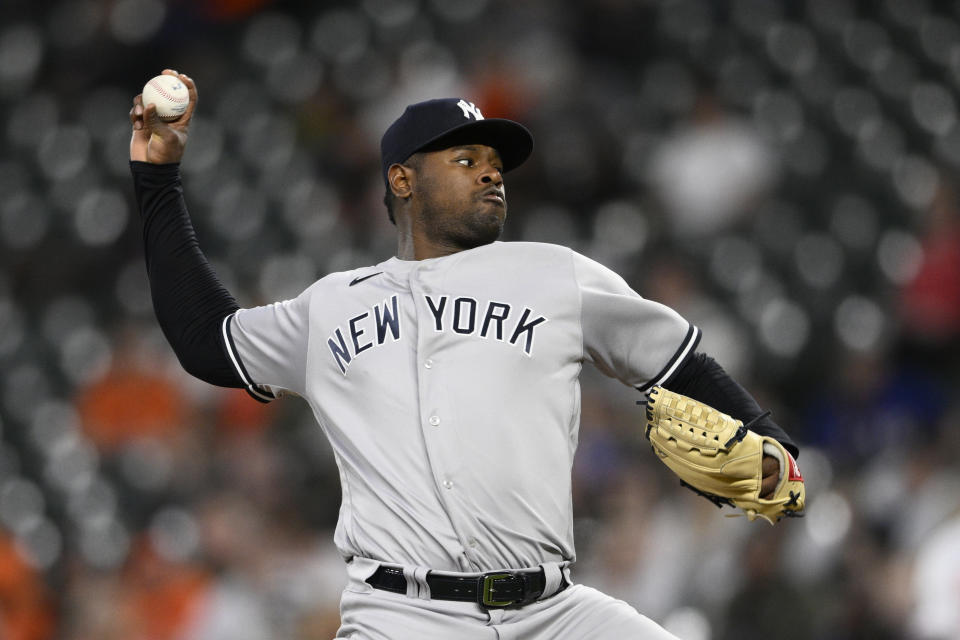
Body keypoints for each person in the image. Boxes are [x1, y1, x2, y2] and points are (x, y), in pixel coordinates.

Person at [128, 69, 800, 639]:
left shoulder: (555, 274)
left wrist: (769, 445)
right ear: (402, 180)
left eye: (495, 163)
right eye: (465, 159)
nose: (490, 173)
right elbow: (206, 338)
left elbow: (677, 362)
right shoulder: (329, 307)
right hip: (400, 616)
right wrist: (157, 180)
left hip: (551, 612)